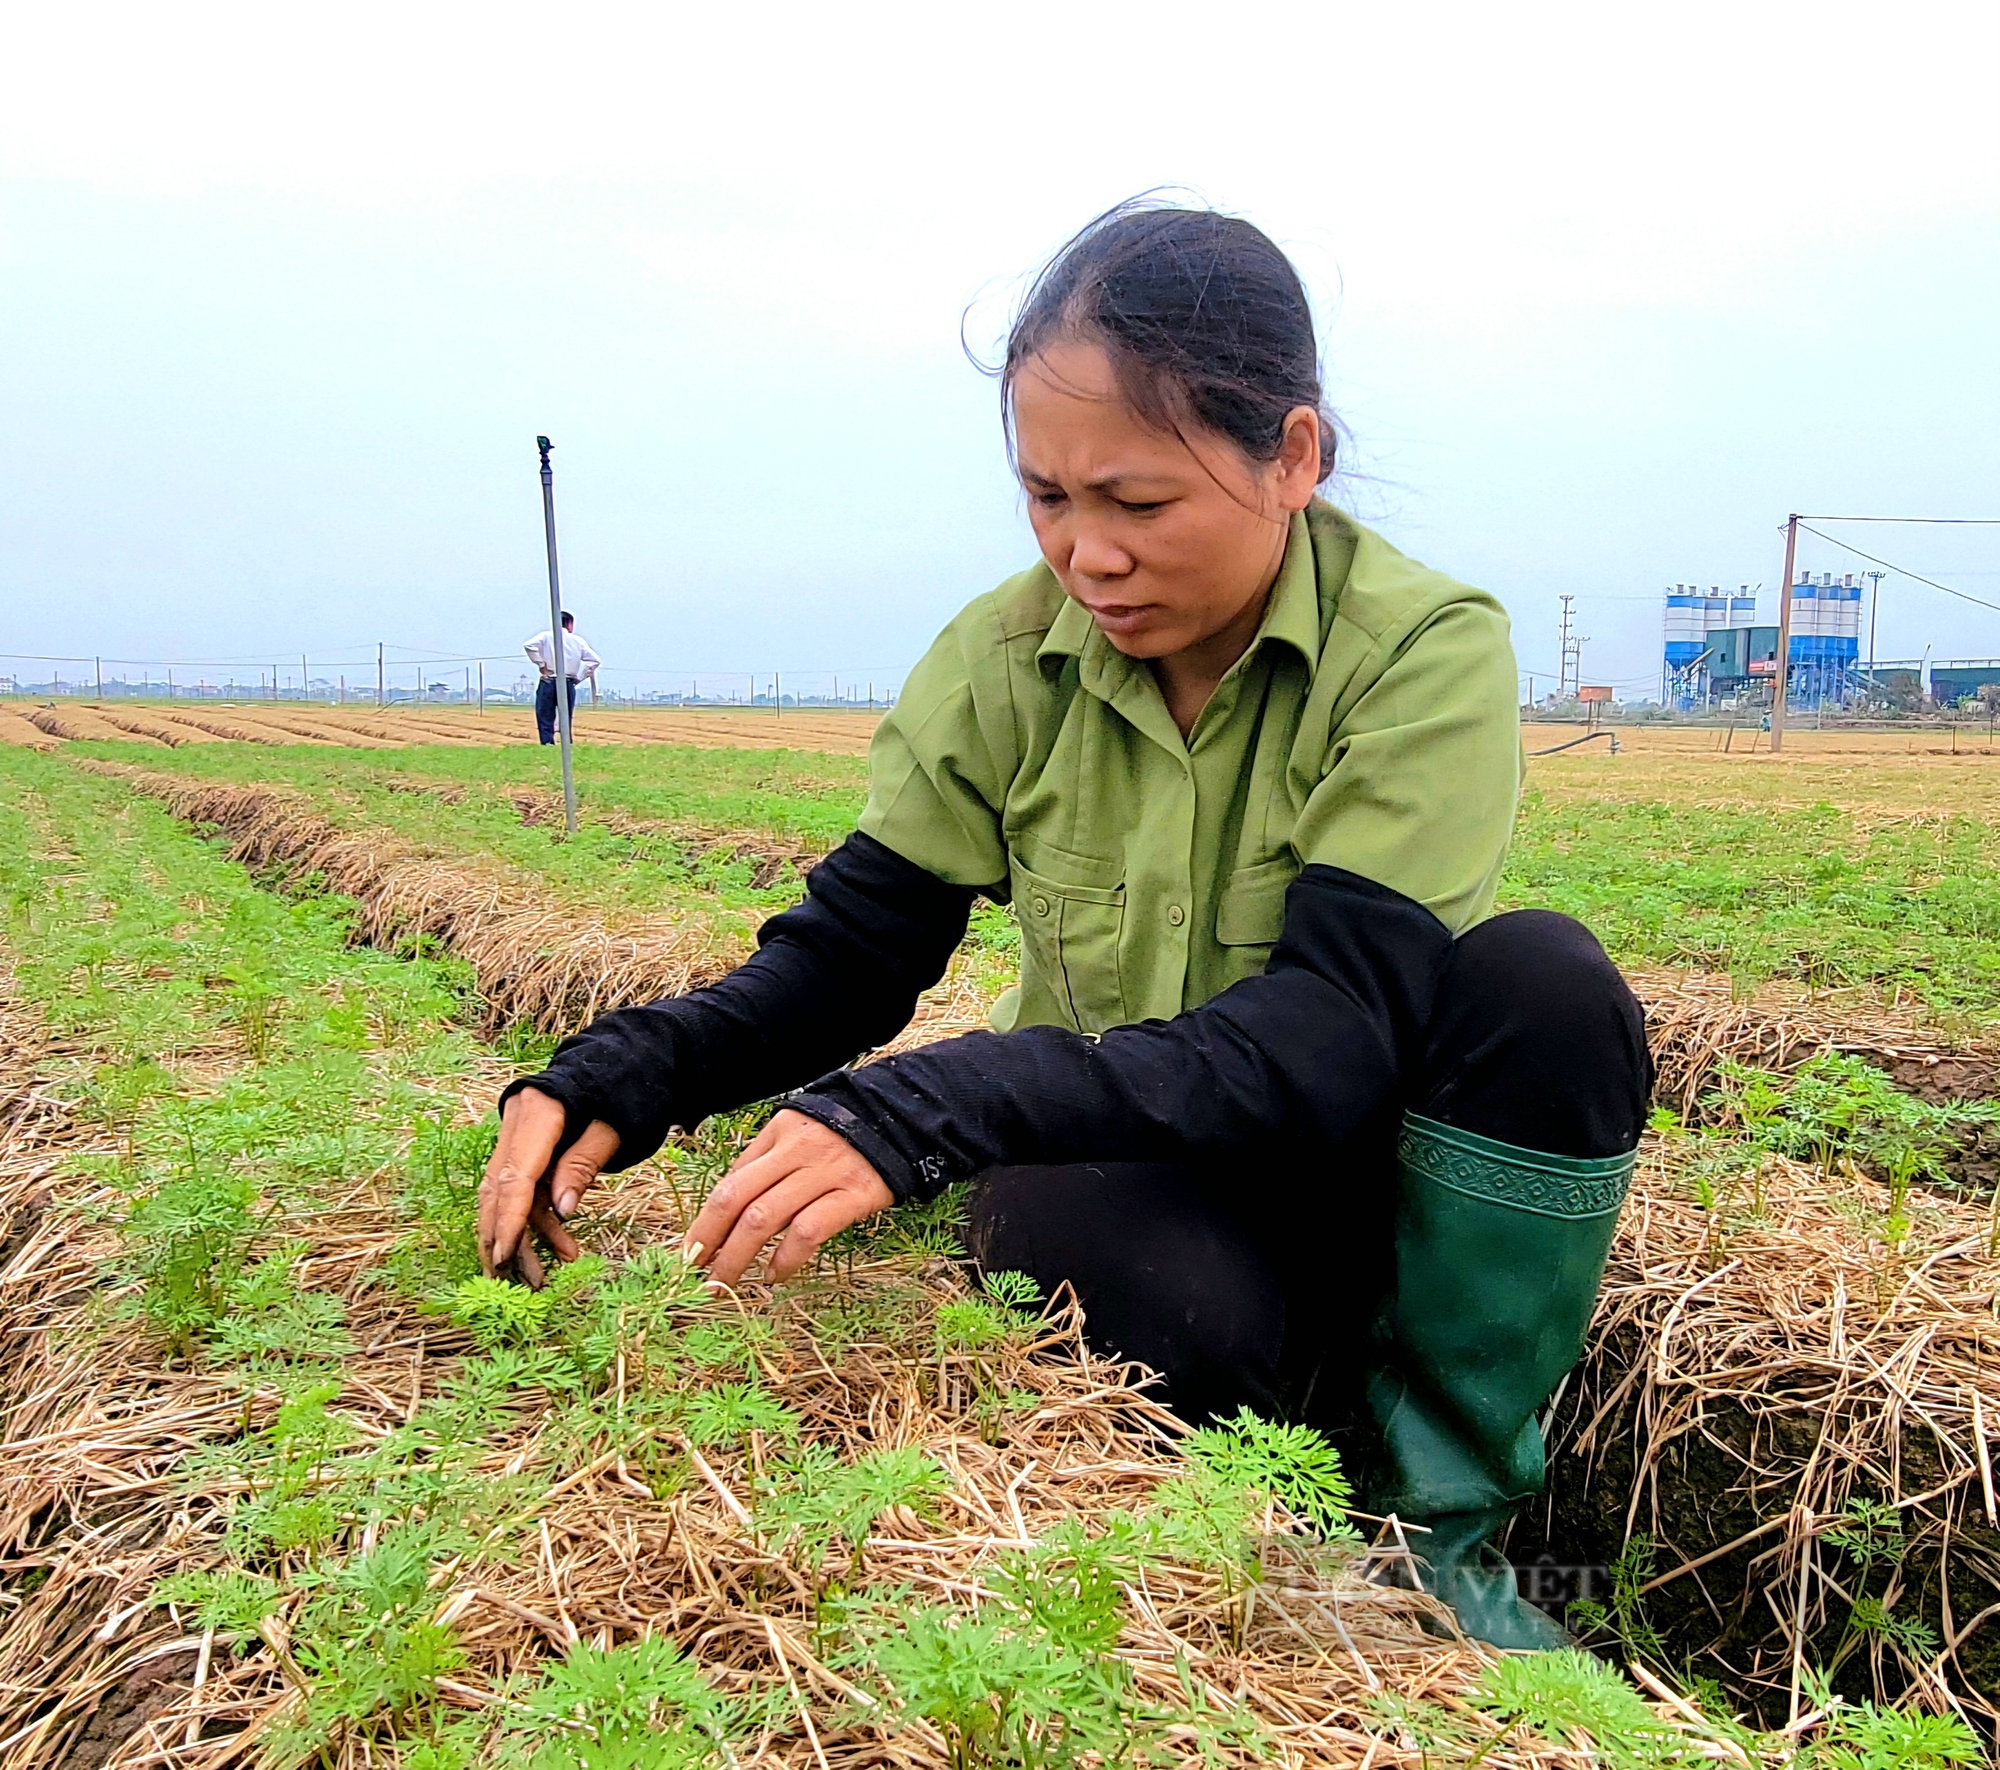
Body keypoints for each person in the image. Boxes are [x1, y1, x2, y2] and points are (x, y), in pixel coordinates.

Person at [477, 202, 1650, 1650]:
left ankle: (1433, 1542)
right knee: (1104, 1269)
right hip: (1144, 1196)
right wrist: (616, 1073)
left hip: (1360, 1202)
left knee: (1545, 981)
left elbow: (1330, 1033)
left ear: (1292, 455)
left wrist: (930, 1104)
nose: (1089, 554)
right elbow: (850, 957)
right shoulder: (1003, 656)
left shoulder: (1417, 649)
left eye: (1137, 502)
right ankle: (1265, 1517)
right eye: (1047, 498)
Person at [524, 612, 601, 744]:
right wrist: (578, 676)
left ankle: (547, 743)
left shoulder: (546, 636)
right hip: (568, 682)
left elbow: (529, 646)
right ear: (570, 624)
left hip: (549, 680)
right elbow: (594, 661)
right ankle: (566, 743)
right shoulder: (577, 641)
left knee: (545, 715)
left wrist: (541, 664)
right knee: (566, 715)